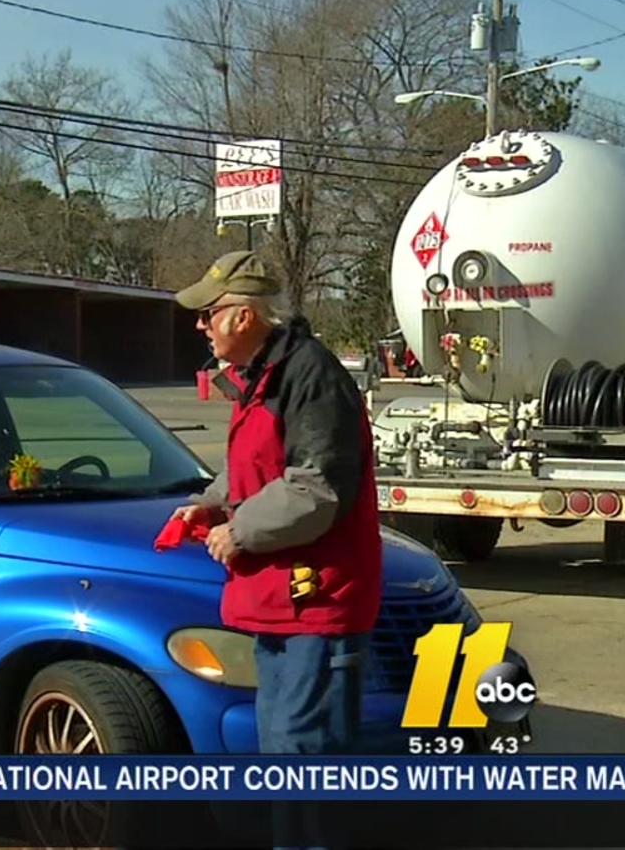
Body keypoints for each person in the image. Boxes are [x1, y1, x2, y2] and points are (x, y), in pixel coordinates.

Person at [167, 250, 382, 846]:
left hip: (317, 603)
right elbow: (258, 471)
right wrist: (212, 502)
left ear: (242, 317)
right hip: (279, 601)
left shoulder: (309, 376)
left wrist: (237, 531)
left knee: (307, 760)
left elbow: (315, 488)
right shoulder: (264, 376)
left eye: (207, 314)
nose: (199, 326)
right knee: (285, 753)